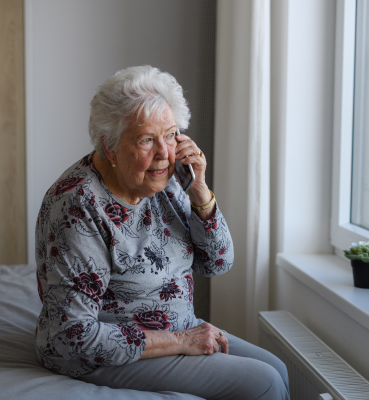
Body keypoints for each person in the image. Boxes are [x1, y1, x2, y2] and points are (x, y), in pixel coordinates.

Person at [34, 66, 289, 399]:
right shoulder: (78, 205)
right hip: (109, 352)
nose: (164, 154)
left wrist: (200, 192)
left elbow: (217, 263)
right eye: (146, 140)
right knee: (264, 382)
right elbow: (71, 336)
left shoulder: (167, 182)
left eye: (170, 135)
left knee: (278, 369)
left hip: (178, 328)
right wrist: (183, 342)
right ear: (109, 148)